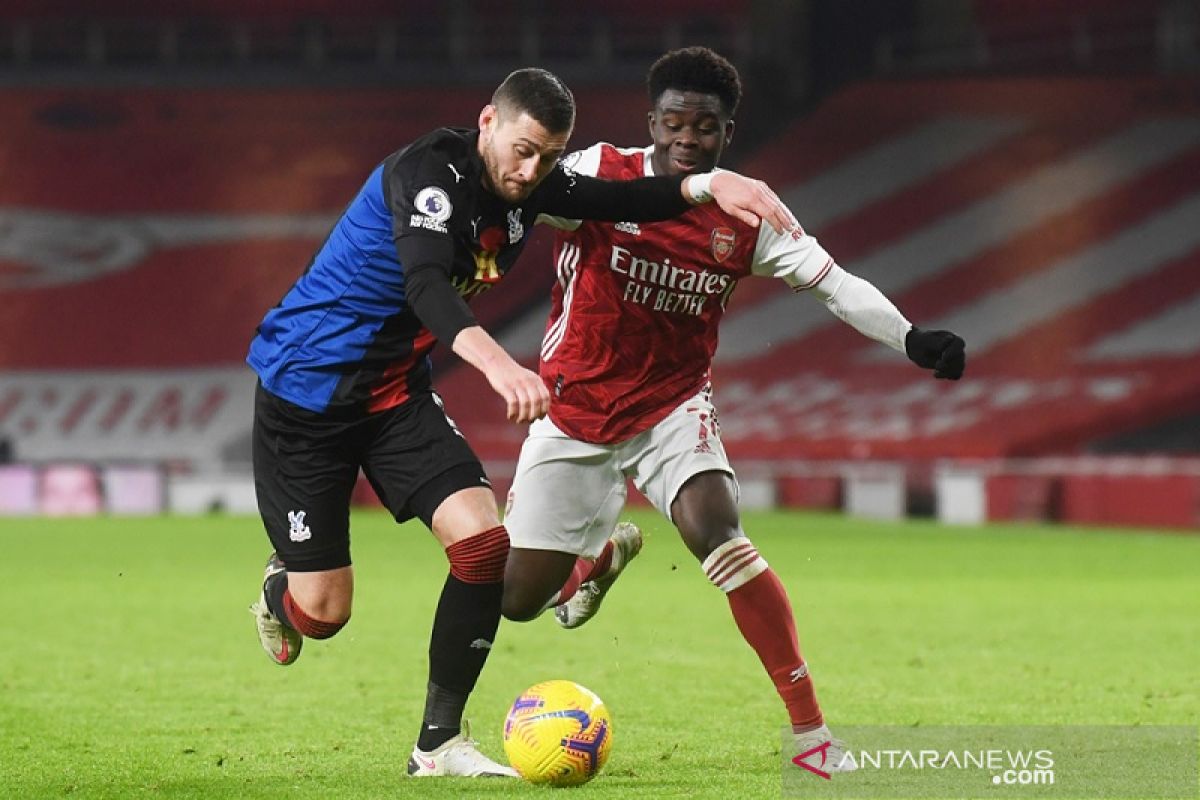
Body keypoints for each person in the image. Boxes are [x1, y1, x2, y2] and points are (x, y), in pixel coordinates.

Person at [244, 66, 797, 780]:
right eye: (522, 149)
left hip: (392, 395)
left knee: (481, 546)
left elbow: (621, 196)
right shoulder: (428, 177)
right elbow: (426, 285)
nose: (531, 170)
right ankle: (278, 591)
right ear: (488, 124)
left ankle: (437, 745)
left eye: (548, 156)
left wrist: (707, 185)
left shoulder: (534, 186)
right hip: (306, 395)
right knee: (323, 612)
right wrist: (499, 367)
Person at [499, 48, 967, 771]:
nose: (689, 138)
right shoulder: (599, 174)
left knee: (716, 532)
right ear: (652, 121)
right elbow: (518, 193)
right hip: (573, 411)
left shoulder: (748, 215)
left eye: (706, 127)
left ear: (728, 131)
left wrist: (910, 338)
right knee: (514, 602)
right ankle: (589, 565)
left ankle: (813, 738)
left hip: (671, 408)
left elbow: (835, 285)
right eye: (676, 123)